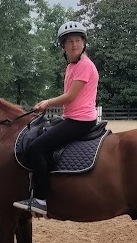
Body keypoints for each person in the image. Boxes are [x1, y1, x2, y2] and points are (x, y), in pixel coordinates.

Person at [13, 21, 99, 216]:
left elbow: (70, 97)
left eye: (78, 40)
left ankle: (41, 200)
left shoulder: (84, 65)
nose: (74, 44)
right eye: (70, 41)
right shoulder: (72, 65)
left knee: (36, 148)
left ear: (84, 43)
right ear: (63, 46)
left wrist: (46, 103)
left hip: (80, 121)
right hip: (72, 117)